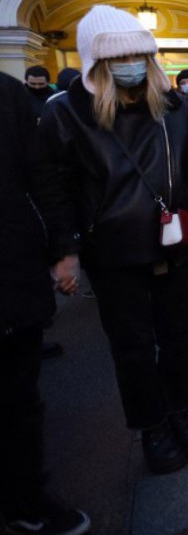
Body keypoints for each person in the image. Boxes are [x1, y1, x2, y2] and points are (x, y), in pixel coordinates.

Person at [34, 5, 188, 476]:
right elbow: (53, 189)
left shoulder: (173, 105)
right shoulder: (67, 113)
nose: (132, 65)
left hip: (174, 240)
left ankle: (180, 411)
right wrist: (66, 251)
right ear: (96, 62)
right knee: (132, 345)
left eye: (140, 55)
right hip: (114, 251)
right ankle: (152, 426)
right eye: (120, 58)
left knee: (180, 336)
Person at [1, 72, 91, 535]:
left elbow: (43, 178)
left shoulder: (7, 95)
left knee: (18, 398)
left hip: (11, 271)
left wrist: (63, 249)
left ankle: (25, 499)